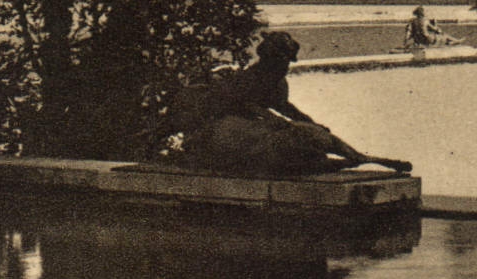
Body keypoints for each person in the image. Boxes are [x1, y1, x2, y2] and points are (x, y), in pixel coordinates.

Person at [168, 31, 411, 175]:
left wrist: (312, 123)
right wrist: (279, 123)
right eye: (283, 61)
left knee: (312, 134)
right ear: (270, 59)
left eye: (288, 62)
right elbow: (244, 105)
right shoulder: (250, 78)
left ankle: (363, 158)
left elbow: (284, 106)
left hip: (256, 126)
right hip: (231, 128)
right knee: (284, 149)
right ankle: (349, 162)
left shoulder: (276, 79)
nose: (286, 66)